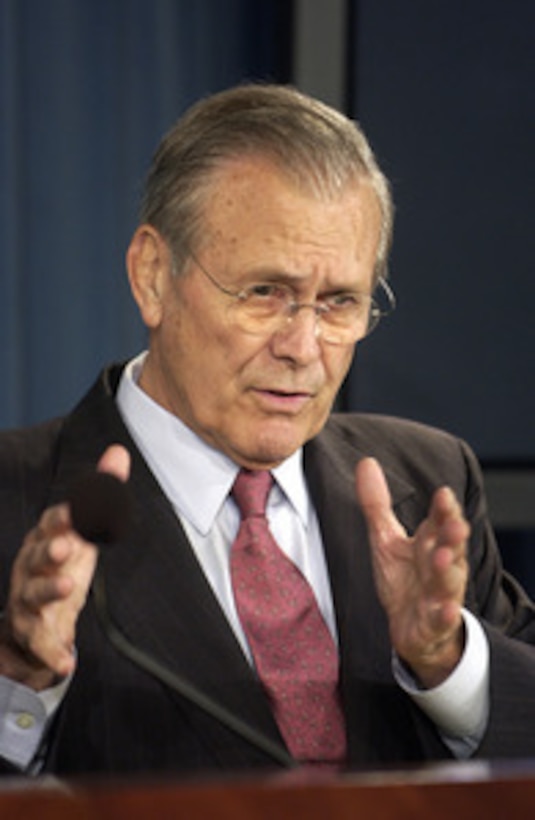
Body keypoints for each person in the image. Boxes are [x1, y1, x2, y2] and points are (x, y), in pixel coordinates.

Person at [0, 83, 534, 778]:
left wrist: (447, 666)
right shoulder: (16, 504)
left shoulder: (427, 482)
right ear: (153, 276)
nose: (303, 346)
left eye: (339, 302)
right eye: (264, 293)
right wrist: (20, 687)